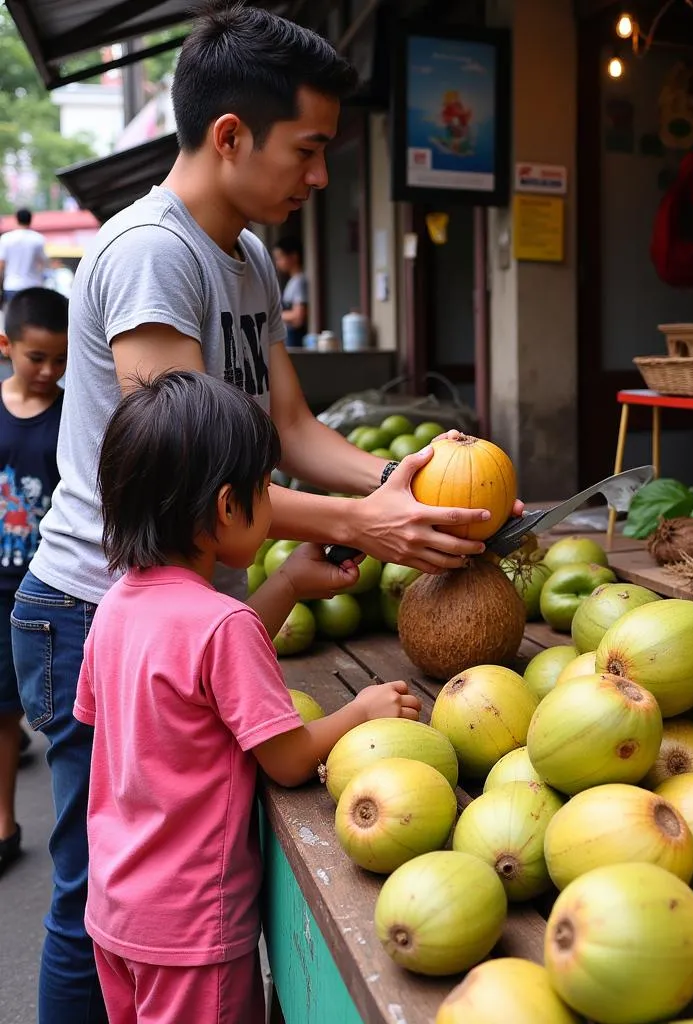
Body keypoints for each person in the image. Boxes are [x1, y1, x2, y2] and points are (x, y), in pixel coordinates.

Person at [12, 5, 520, 1021]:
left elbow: (285, 422)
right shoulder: (155, 254)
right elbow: (205, 471)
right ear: (231, 136)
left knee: (156, 883)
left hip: (179, 608)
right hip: (98, 606)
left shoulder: (241, 256)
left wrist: (393, 481)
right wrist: (357, 524)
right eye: (311, 148)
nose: (321, 176)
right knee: (95, 896)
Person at [77, 369, 421, 1024]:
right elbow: (288, 759)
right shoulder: (220, 626)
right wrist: (360, 712)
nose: (272, 503)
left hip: (119, 908)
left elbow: (194, 673)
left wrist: (287, 583)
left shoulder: (117, 608)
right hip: (193, 926)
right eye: (266, 489)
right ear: (229, 507)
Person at [0, 288, 68, 878]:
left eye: (60, 360)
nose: (49, 372)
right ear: (7, 347)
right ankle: (3, 823)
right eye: (36, 359)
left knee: (58, 717)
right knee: (1, 711)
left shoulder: (72, 415)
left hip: (49, 587)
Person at [0, 209, 49, 307]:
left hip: (12, 285)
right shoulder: (38, 239)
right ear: (30, 220)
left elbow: (1, 264)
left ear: (16, 219)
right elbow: (42, 263)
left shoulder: (6, 238)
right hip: (32, 285)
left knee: (13, 318)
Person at [272, 236, 308, 347]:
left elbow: (298, 315)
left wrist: (274, 316)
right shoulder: (293, 281)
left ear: (293, 256)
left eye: (280, 257)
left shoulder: (298, 281)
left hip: (295, 338)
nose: (278, 263)